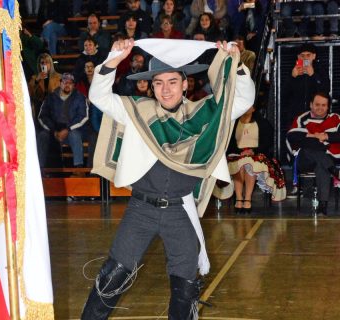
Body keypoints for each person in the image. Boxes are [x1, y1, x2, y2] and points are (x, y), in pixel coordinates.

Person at [80, 38, 254, 319]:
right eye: (158, 83)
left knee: (185, 286)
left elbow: (244, 99)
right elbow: (99, 97)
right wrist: (114, 58)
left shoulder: (204, 116)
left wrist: (237, 64)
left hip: (179, 211)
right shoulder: (138, 111)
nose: (165, 89)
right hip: (141, 210)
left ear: (185, 84)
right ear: (151, 86)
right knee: (112, 277)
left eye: (172, 82)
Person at [216, 106, 286, 213]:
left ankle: (247, 198)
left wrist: (253, 151)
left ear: (254, 108)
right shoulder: (233, 123)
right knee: (239, 162)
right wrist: (241, 152)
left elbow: (267, 142)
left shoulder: (262, 123)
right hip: (237, 154)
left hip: (257, 154)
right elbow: (228, 143)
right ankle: (239, 198)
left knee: (249, 163)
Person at [286, 92, 340, 216]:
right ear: (311, 105)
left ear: (328, 107)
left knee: (321, 164)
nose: (320, 108)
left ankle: (323, 206)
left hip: (325, 159)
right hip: (305, 161)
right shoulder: (302, 119)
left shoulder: (335, 118)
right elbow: (292, 136)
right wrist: (314, 137)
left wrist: (326, 135)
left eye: (323, 105)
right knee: (309, 148)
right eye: (317, 104)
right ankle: (334, 170)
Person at [37, 72, 88, 169]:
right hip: (54, 131)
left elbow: (83, 117)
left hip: (71, 130)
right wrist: (54, 131)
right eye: (65, 82)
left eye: (70, 83)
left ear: (73, 85)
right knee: (42, 135)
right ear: (60, 83)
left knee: (75, 135)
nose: (67, 84)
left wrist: (67, 129)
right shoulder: (50, 97)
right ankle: (40, 169)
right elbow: (42, 116)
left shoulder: (80, 97)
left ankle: (78, 169)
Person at [283, 43, 330, 128]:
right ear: (298, 57)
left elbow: (325, 90)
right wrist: (292, 77)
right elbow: (283, 94)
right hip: (295, 115)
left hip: (316, 116)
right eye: (302, 55)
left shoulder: (321, 70)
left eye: (308, 55)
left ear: (314, 56)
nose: (305, 58)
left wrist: (313, 75)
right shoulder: (292, 70)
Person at [27, 52, 62, 121]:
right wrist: (37, 80)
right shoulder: (35, 78)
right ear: (39, 65)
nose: (44, 65)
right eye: (42, 63)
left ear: (51, 64)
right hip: (40, 106)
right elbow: (29, 93)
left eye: (47, 62)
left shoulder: (59, 77)